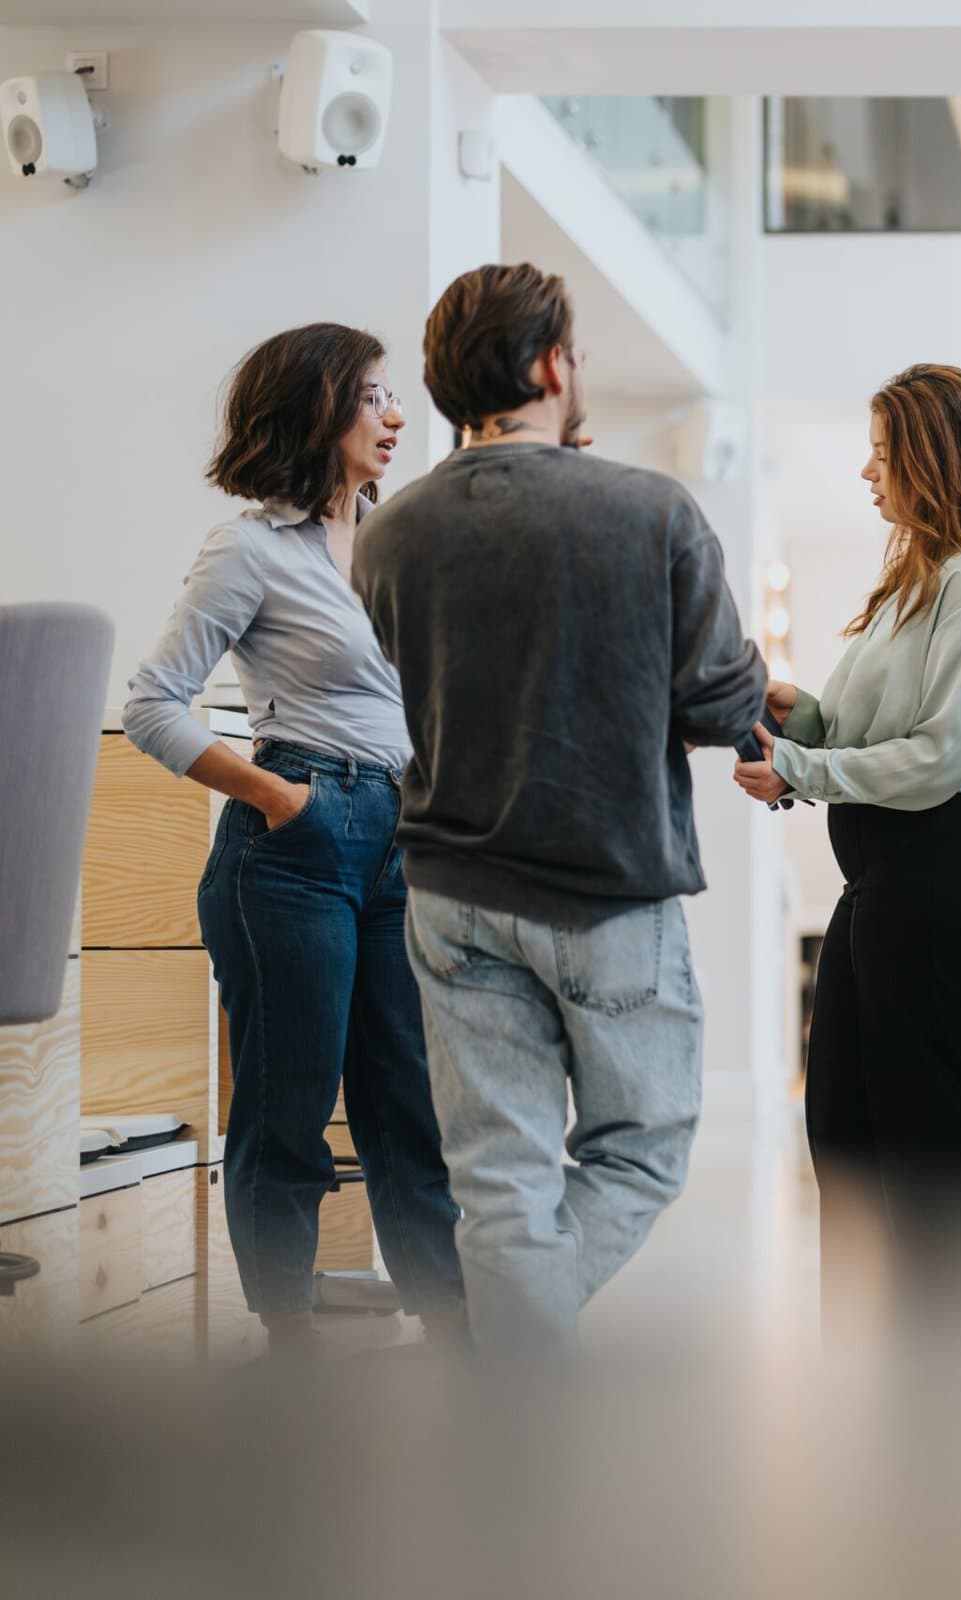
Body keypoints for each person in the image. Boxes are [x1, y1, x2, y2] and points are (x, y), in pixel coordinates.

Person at [352, 265, 767, 1353]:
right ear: (549, 367)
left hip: (450, 891)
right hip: (606, 885)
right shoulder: (652, 511)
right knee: (644, 1148)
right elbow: (725, 702)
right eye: (574, 356)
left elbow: (413, 682)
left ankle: (510, 1408)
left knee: (498, 1184)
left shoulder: (390, 534)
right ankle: (515, 1368)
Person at [122, 324, 464, 1358]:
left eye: (395, 396)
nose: (395, 415)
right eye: (373, 396)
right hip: (297, 847)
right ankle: (288, 1331)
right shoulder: (250, 548)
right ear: (318, 407)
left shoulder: (401, 539)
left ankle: (452, 1319)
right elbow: (153, 704)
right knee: (289, 1104)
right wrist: (278, 798)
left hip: (400, 838)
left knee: (407, 1094)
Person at [732, 364, 961, 1323]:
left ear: (929, 457)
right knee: (846, 1117)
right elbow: (886, 731)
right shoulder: (920, 579)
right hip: (886, 872)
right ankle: (873, 1338)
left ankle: (960, 1347)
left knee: (929, 1120)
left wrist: (805, 771)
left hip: (937, 864)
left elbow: (940, 759)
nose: (870, 475)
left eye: (882, 454)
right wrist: (809, 716)